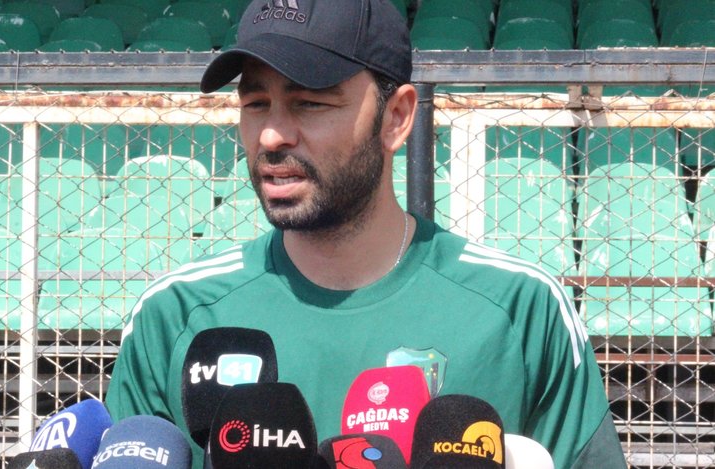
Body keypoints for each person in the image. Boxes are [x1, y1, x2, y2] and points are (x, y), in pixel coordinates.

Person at [106, 0, 627, 467]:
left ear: (396, 117)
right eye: (256, 104)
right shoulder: (173, 314)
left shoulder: (522, 309)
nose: (272, 135)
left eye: (310, 103)